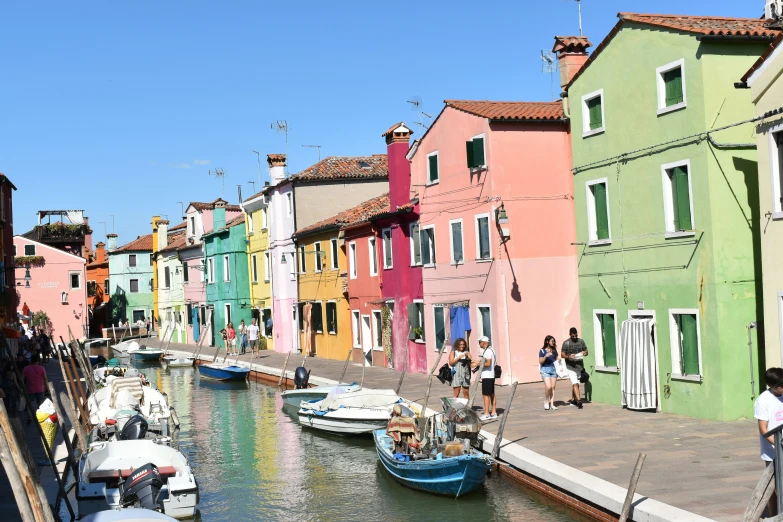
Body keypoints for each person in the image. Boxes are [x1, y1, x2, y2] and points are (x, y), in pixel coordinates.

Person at [755, 367, 783, 516]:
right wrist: (778, 444)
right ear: (771, 385)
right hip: (773, 451)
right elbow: (763, 429)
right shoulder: (763, 401)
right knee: (774, 486)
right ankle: (774, 515)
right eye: (781, 385)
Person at [561, 327, 588, 409]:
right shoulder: (566, 343)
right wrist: (569, 356)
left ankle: (573, 400)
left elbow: (587, 351)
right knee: (575, 383)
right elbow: (562, 354)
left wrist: (584, 353)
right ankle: (579, 401)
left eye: (575, 336)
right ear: (570, 335)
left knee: (576, 384)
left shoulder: (581, 341)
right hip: (570, 367)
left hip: (579, 366)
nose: (574, 337)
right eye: (572, 336)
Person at [472, 336, 497, 421]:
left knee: (485, 394)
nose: (479, 344)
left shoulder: (487, 352)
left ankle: (487, 413)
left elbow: (488, 363)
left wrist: (477, 365)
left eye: (480, 342)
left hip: (487, 376)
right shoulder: (491, 350)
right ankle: (493, 412)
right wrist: (477, 361)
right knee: (491, 393)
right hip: (491, 375)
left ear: (483, 342)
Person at [22, 354, 48, 423]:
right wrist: (47, 388)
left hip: (30, 389)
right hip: (40, 388)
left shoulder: (26, 368)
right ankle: (39, 417)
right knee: (39, 403)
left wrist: (22, 388)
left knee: (29, 404)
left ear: (31, 360)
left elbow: (22, 379)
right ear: (37, 360)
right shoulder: (41, 368)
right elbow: (45, 379)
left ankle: (29, 417)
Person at [539, 335, 560, 411]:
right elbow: (540, 361)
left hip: (553, 369)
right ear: (547, 341)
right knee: (548, 387)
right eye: (552, 341)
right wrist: (546, 356)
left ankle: (552, 404)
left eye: (554, 341)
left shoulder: (554, 350)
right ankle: (546, 401)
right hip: (545, 369)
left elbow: (557, 359)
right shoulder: (542, 351)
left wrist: (559, 360)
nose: (553, 342)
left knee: (553, 387)